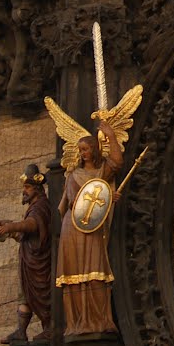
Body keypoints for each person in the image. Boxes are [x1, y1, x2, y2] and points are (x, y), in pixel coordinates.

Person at [57, 122, 123, 333]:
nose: (82, 153)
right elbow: (72, 203)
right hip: (73, 226)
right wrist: (108, 195)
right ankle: (77, 322)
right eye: (80, 150)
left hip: (93, 228)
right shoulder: (73, 175)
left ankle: (99, 320)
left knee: (96, 270)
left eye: (85, 149)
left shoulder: (101, 172)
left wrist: (111, 135)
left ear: (94, 150)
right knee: (74, 274)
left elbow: (117, 162)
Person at [0, 162, 52, 342]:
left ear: (37, 189)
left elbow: (32, 225)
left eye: (27, 187)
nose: (24, 191)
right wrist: (8, 228)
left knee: (41, 296)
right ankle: (21, 331)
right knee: (25, 296)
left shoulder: (41, 206)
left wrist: (10, 227)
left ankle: (50, 327)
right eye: (24, 187)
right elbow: (25, 234)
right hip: (29, 263)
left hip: (39, 264)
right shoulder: (33, 207)